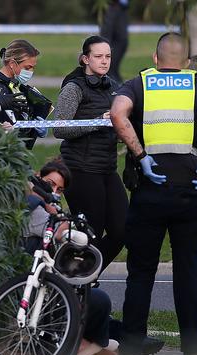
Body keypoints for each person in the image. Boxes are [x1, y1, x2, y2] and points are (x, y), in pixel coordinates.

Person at [109, 32, 197, 355]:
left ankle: (130, 353)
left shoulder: (140, 84)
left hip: (149, 191)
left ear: (155, 58)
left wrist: (141, 156)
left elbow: (118, 114)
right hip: (189, 191)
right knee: (188, 273)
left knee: (140, 275)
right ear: (184, 62)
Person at [25, 159, 119, 355]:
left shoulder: (49, 209)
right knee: (97, 300)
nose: (55, 191)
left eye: (60, 189)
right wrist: (63, 221)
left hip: (50, 289)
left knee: (97, 299)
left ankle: (94, 341)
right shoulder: (32, 207)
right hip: (35, 293)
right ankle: (85, 345)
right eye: (51, 184)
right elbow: (59, 232)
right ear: (38, 177)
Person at [52, 35, 127, 273]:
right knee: (90, 233)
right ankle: (76, 287)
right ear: (85, 59)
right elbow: (59, 128)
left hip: (107, 167)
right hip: (80, 169)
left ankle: (78, 275)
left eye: (108, 57)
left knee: (123, 230)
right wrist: (98, 122)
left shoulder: (115, 87)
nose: (104, 61)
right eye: (98, 56)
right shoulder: (74, 87)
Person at [0, 39, 48, 149]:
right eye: (27, 67)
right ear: (12, 64)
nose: (31, 71)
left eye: (33, 67)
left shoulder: (15, 85)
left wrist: (34, 128)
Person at [100, 0, 129, 82]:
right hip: (112, 5)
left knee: (122, 41)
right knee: (108, 38)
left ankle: (113, 73)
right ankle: (109, 74)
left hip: (122, 7)